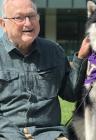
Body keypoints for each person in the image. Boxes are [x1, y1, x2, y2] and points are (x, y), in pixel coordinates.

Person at [0, 0, 90, 140]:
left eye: (32, 16)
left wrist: (81, 57)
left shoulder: (54, 51)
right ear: (3, 24)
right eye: (19, 18)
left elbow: (71, 94)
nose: (28, 23)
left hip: (49, 133)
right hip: (6, 134)